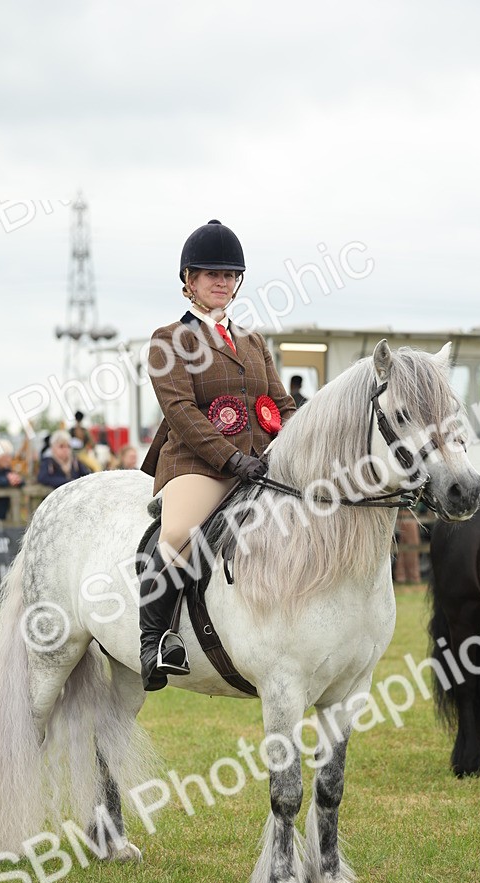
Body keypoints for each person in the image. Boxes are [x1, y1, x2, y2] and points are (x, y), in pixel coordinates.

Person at [139, 218, 296, 691]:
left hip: (260, 462)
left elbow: (280, 402)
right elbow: (182, 411)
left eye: (229, 275)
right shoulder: (170, 340)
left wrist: (294, 441)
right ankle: (156, 641)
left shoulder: (252, 342)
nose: (221, 282)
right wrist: (231, 460)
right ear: (189, 280)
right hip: (198, 463)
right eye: (211, 274)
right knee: (178, 535)